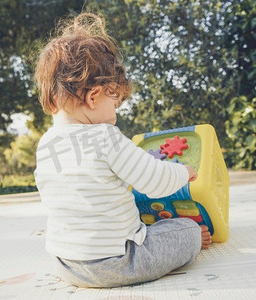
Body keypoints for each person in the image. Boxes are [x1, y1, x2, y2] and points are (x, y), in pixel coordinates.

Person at [33, 12, 211, 288]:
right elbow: (155, 181)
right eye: (114, 104)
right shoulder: (105, 135)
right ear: (93, 97)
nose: (115, 116)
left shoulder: (46, 144)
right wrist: (183, 171)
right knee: (186, 230)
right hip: (118, 262)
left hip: (65, 262)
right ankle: (194, 239)